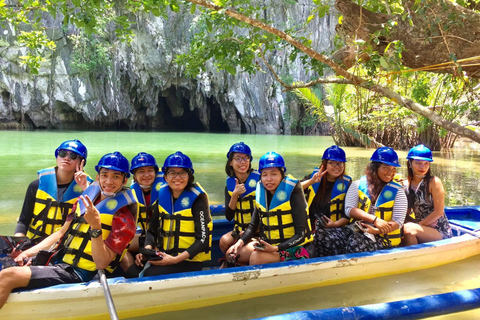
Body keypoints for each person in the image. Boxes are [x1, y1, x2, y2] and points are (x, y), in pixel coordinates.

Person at [0, 152, 137, 309]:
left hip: (80, 272)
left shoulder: (124, 220)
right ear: (97, 177)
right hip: (58, 259)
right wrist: (27, 253)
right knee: (5, 264)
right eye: (104, 175)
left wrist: (96, 227)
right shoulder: (83, 200)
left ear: (125, 180)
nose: (108, 181)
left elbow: (101, 263)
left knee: (8, 276)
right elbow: (60, 233)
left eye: (116, 177)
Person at [133, 151, 212, 277]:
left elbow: (202, 240)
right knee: (133, 270)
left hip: (188, 260)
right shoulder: (163, 197)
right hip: (165, 255)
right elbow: (152, 230)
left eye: (182, 173)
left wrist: (175, 259)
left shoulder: (197, 201)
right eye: (172, 173)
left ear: (189, 176)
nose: (177, 177)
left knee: (149, 274)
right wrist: (148, 249)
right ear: (165, 177)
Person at [227, 151, 314, 266]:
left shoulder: (293, 191)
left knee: (256, 258)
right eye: (264, 175)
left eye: (274, 174)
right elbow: (252, 227)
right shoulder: (260, 191)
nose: (268, 179)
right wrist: (240, 242)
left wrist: (276, 249)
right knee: (232, 254)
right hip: (270, 244)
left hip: (296, 248)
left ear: (282, 174)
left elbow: (301, 234)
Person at [14, 139, 92, 241]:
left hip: (65, 248)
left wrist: (87, 189)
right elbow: (23, 221)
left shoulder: (87, 189)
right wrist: (17, 243)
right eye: (62, 154)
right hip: (34, 243)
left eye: (73, 156)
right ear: (57, 158)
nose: (66, 158)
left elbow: (95, 222)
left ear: (82, 162)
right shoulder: (36, 185)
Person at [343, 146, 408, 253]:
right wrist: (375, 220)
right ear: (375, 168)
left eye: (393, 169)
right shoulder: (357, 185)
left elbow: (398, 221)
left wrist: (376, 231)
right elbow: (349, 209)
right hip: (356, 230)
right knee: (326, 236)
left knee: (356, 243)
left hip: (382, 237)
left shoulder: (398, 191)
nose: (390, 172)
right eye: (386, 167)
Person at [301, 146, 352, 257]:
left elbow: (348, 214)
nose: (337, 167)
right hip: (311, 226)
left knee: (322, 238)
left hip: (336, 228)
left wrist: (334, 224)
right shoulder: (314, 178)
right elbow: (293, 190)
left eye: (340, 163)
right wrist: (311, 181)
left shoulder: (347, 184)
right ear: (324, 164)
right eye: (332, 163)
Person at [402, 145, 452, 245]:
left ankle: (414, 256)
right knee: (402, 228)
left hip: (439, 230)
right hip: (419, 228)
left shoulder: (434, 182)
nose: (422, 167)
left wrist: (418, 225)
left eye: (426, 163)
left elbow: (439, 212)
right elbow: (405, 212)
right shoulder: (405, 184)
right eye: (418, 163)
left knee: (408, 228)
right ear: (410, 164)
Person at [219, 142, 260, 258]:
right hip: (240, 229)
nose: (243, 162)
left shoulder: (261, 180)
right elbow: (229, 216)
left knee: (236, 254)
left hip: (258, 230)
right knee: (223, 241)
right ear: (230, 162)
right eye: (238, 159)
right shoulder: (230, 185)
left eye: (246, 158)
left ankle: (232, 263)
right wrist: (235, 195)